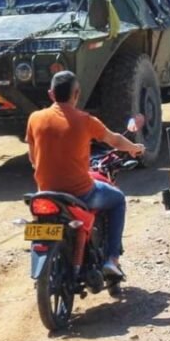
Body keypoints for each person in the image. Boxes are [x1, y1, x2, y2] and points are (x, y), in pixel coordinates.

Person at [25, 70, 145, 279]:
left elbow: (33, 159)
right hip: (80, 194)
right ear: (77, 94)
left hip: (44, 193)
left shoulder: (35, 118)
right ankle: (112, 259)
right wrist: (134, 147)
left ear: (51, 94)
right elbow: (115, 140)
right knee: (117, 200)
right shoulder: (85, 120)